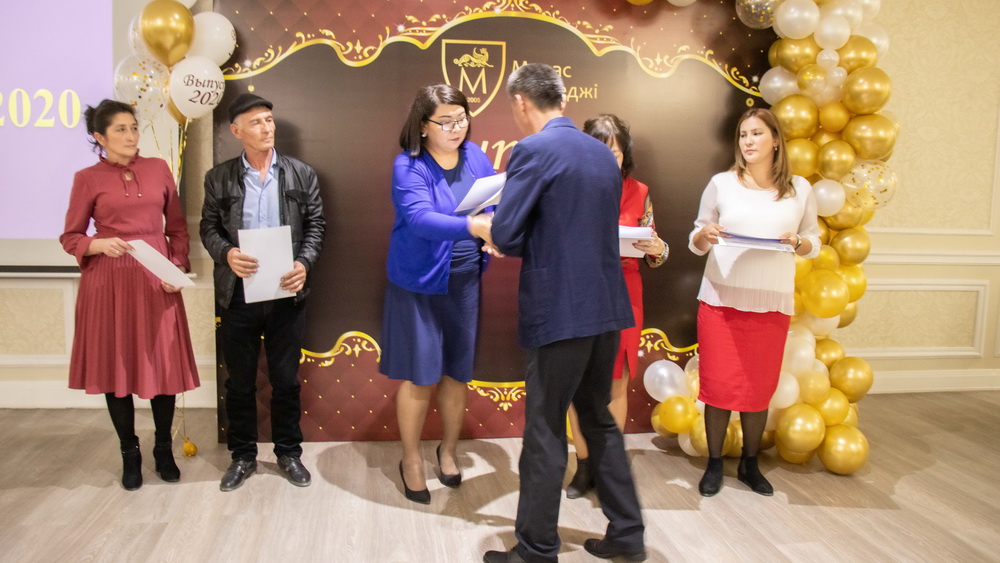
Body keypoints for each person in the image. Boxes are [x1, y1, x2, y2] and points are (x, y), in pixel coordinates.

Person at [482, 64, 646, 563]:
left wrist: (484, 227)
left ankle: (536, 547)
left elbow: (508, 233)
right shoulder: (600, 153)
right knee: (598, 420)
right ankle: (627, 533)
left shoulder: (532, 150)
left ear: (521, 102)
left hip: (559, 312)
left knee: (546, 427)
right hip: (606, 307)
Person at [61, 99, 200, 491]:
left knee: (164, 369)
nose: (131, 135)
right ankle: (129, 452)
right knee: (115, 367)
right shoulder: (87, 178)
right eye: (120, 129)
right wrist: (98, 245)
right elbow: (71, 236)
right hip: (109, 285)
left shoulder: (158, 169)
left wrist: (177, 267)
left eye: (133, 127)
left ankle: (163, 449)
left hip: (156, 281)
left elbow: (177, 229)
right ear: (100, 137)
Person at [688, 107, 820, 497]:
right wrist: (706, 235)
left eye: (757, 133)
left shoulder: (799, 189)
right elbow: (696, 238)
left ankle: (749, 464)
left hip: (771, 303)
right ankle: (714, 463)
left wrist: (798, 242)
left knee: (757, 387)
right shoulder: (721, 183)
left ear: (776, 140)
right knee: (718, 385)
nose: (748, 141)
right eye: (743, 135)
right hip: (721, 300)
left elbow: (813, 241)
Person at [200, 93, 326, 492]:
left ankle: (289, 453)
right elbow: (208, 228)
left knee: (285, 380)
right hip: (238, 294)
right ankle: (242, 456)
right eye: (256, 122)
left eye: (269, 120)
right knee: (239, 382)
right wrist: (227, 254)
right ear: (236, 131)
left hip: (286, 292)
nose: (266, 128)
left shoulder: (301, 174)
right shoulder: (218, 177)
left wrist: (304, 263)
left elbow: (317, 225)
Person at [381, 84, 497, 504]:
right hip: (420, 283)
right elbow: (419, 219)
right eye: (445, 122)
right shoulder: (409, 166)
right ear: (423, 126)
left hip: (465, 280)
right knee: (420, 375)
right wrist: (473, 226)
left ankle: (448, 450)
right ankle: (411, 459)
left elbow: (492, 201)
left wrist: (492, 230)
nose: (455, 128)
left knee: (457, 372)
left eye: (461, 119)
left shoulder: (475, 155)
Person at [564, 114, 669, 500]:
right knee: (577, 382)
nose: (609, 157)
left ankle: (606, 465)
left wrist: (657, 248)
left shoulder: (640, 192)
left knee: (616, 382)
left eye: (616, 151)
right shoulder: (569, 186)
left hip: (625, 292)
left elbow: (656, 252)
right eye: (600, 149)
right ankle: (583, 464)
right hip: (580, 290)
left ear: (625, 154)